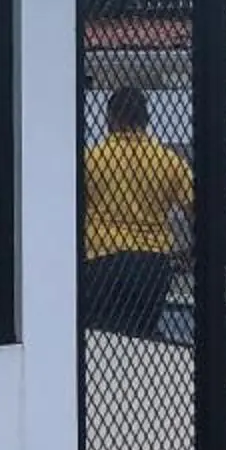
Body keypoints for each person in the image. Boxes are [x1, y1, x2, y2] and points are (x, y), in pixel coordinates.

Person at [82, 86, 191, 338]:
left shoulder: (90, 159)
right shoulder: (169, 161)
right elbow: (195, 211)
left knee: (100, 335)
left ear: (110, 119)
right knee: (142, 336)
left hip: (102, 258)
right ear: (146, 120)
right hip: (152, 262)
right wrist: (192, 251)